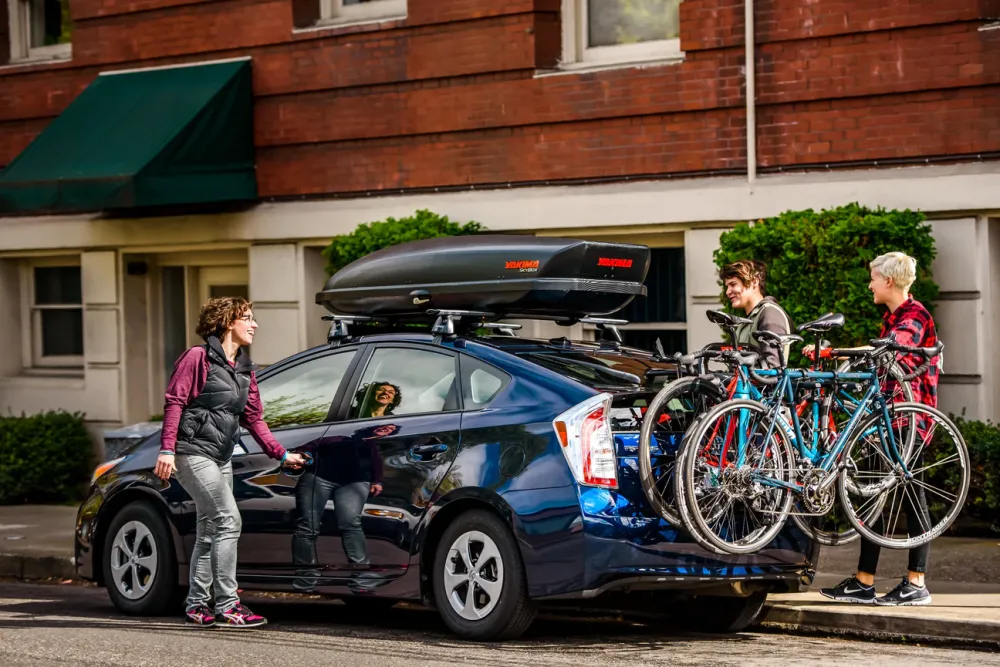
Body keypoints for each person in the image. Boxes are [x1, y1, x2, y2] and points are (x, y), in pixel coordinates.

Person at [154, 297, 305, 629]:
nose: (254, 324)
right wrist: (166, 450)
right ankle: (228, 604)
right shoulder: (198, 357)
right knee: (228, 521)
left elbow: (254, 419)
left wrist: (281, 454)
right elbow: (175, 402)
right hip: (192, 452)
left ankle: (197, 605)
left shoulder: (245, 369)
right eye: (247, 318)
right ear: (226, 322)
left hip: (221, 456)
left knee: (210, 528)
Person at [821, 251, 939, 606]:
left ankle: (917, 582)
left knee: (912, 497)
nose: (869, 285)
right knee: (875, 498)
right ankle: (864, 581)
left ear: (888, 281)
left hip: (910, 421)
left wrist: (838, 352)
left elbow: (890, 350)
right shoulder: (893, 317)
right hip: (885, 418)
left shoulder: (915, 316)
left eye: (873, 279)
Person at [721, 259, 793, 368]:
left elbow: (772, 368)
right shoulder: (746, 321)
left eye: (733, 284)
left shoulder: (770, 313)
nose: (727, 292)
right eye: (727, 286)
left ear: (754, 282)